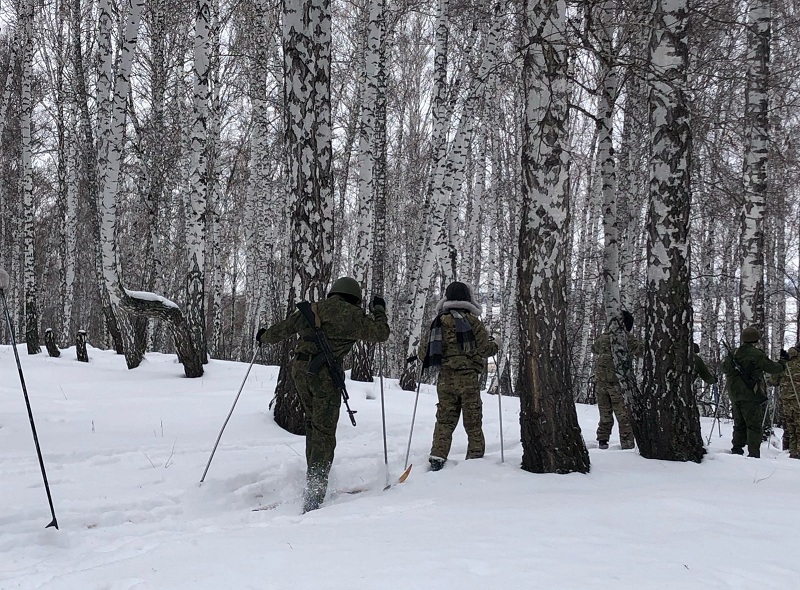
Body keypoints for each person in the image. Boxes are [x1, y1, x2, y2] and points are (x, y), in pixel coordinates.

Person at [256, 277, 390, 512]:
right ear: (355, 298)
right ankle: (315, 491)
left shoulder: (315, 308)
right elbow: (381, 333)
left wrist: (263, 337)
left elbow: (284, 329)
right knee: (324, 431)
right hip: (325, 375)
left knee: (312, 424)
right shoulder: (354, 315)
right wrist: (379, 310)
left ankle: (313, 478)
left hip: (300, 371)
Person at [417, 281, 498, 471]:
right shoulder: (473, 322)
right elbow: (486, 349)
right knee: (473, 420)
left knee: (445, 419)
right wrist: (498, 344)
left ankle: (437, 456)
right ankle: (475, 458)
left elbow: (423, 354)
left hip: (445, 379)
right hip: (469, 379)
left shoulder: (437, 322)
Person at [721, 326, 785, 458]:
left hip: (734, 394)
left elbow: (724, 369)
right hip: (750, 394)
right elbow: (773, 368)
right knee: (754, 425)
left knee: (739, 424)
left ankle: (737, 449)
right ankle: (754, 454)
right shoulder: (756, 354)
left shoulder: (734, 352)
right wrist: (783, 362)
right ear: (756, 339)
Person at [591, 310, 641, 450]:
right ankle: (627, 445)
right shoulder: (626, 338)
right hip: (618, 384)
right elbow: (641, 351)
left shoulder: (603, 337)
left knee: (605, 415)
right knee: (623, 417)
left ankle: (602, 441)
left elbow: (594, 348)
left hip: (601, 383)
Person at [769, 346, 800, 459]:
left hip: (786, 401)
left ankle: (793, 452)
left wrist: (780, 362)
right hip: (797, 400)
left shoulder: (785, 363)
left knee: (791, 428)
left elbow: (773, 381)